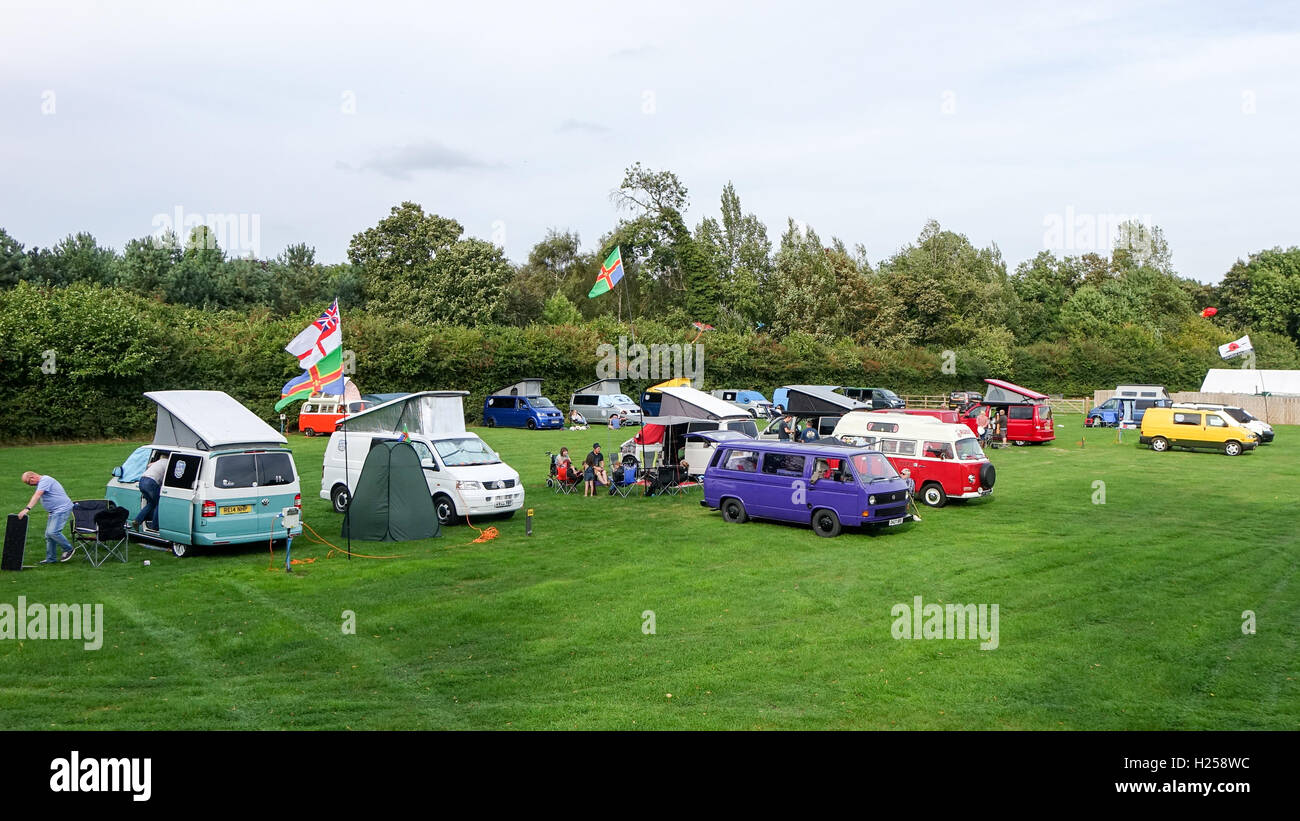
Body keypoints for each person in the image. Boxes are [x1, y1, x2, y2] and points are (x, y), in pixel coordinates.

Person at [17, 471, 75, 564]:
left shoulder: (45, 480)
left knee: (53, 532)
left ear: (32, 477)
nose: (29, 485)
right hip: (54, 511)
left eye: (28, 482)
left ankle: (68, 549)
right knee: (48, 536)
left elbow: (37, 495)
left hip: (61, 509)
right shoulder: (42, 482)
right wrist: (50, 511)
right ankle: (51, 559)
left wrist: (27, 509)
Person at [132, 454, 167, 531]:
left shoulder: (157, 462)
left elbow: (148, 465)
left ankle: (137, 520)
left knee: (152, 503)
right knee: (159, 503)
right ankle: (155, 526)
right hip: (151, 482)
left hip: (142, 481)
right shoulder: (168, 463)